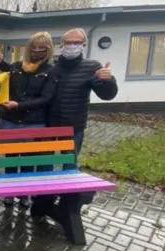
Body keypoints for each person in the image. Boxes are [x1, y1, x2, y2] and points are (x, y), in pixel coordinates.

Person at [0, 32, 58, 208]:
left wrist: (19, 105)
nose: (36, 52)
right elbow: (9, 73)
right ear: (28, 49)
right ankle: (9, 192)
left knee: (28, 159)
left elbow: (45, 99)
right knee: (11, 158)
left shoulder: (50, 71)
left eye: (41, 49)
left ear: (48, 50)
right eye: (33, 48)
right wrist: (0, 63)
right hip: (12, 121)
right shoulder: (16, 66)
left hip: (33, 122)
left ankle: (23, 193)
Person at [48, 28, 118, 170]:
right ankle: (44, 192)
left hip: (74, 127)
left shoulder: (92, 67)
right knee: (45, 163)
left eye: (77, 42)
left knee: (69, 163)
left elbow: (106, 95)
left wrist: (108, 81)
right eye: (69, 42)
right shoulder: (51, 67)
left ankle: (68, 192)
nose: (73, 46)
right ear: (62, 45)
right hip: (49, 124)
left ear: (83, 45)